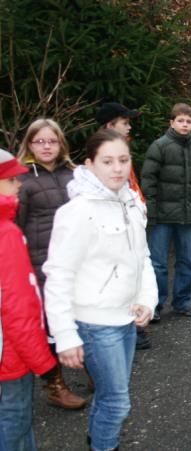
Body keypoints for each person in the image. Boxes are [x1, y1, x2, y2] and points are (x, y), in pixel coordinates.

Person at [43, 129, 158, 450]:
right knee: (118, 402)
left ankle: (99, 440)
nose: (117, 168)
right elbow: (59, 276)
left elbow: (142, 257)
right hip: (94, 324)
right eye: (107, 161)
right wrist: (65, 335)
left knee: (109, 396)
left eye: (123, 160)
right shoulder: (77, 212)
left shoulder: (130, 202)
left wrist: (146, 299)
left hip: (125, 321)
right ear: (90, 165)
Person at [16, 119, 87, 409]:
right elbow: (15, 228)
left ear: (61, 144)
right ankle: (55, 384)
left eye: (52, 141)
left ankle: (93, 370)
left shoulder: (74, 175)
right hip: (41, 266)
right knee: (51, 327)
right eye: (40, 141)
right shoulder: (23, 180)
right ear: (29, 145)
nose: (46, 146)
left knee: (84, 317)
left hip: (78, 264)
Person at [0, 148, 57, 451]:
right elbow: (16, 308)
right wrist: (43, 361)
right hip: (11, 356)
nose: (19, 185)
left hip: (9, 350)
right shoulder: (6, 233)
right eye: (11, 180)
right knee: (15, 418)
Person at [141, 103, 191, 322]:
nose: (185, 125)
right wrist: (150, 212)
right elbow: (148, 181)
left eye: (189, 121)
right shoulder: (159, 146)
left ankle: (182, 302)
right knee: (158, 263)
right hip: (161, 217)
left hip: (186, 217)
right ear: (171, 122)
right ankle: (156, 304)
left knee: (186, 261)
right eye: (180, 121)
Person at [95, 101, 151, 350]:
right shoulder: (102, 156)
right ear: (110, 126)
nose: (129, 128)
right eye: (124, 123)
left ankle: (134, 325)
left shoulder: (120, 150)